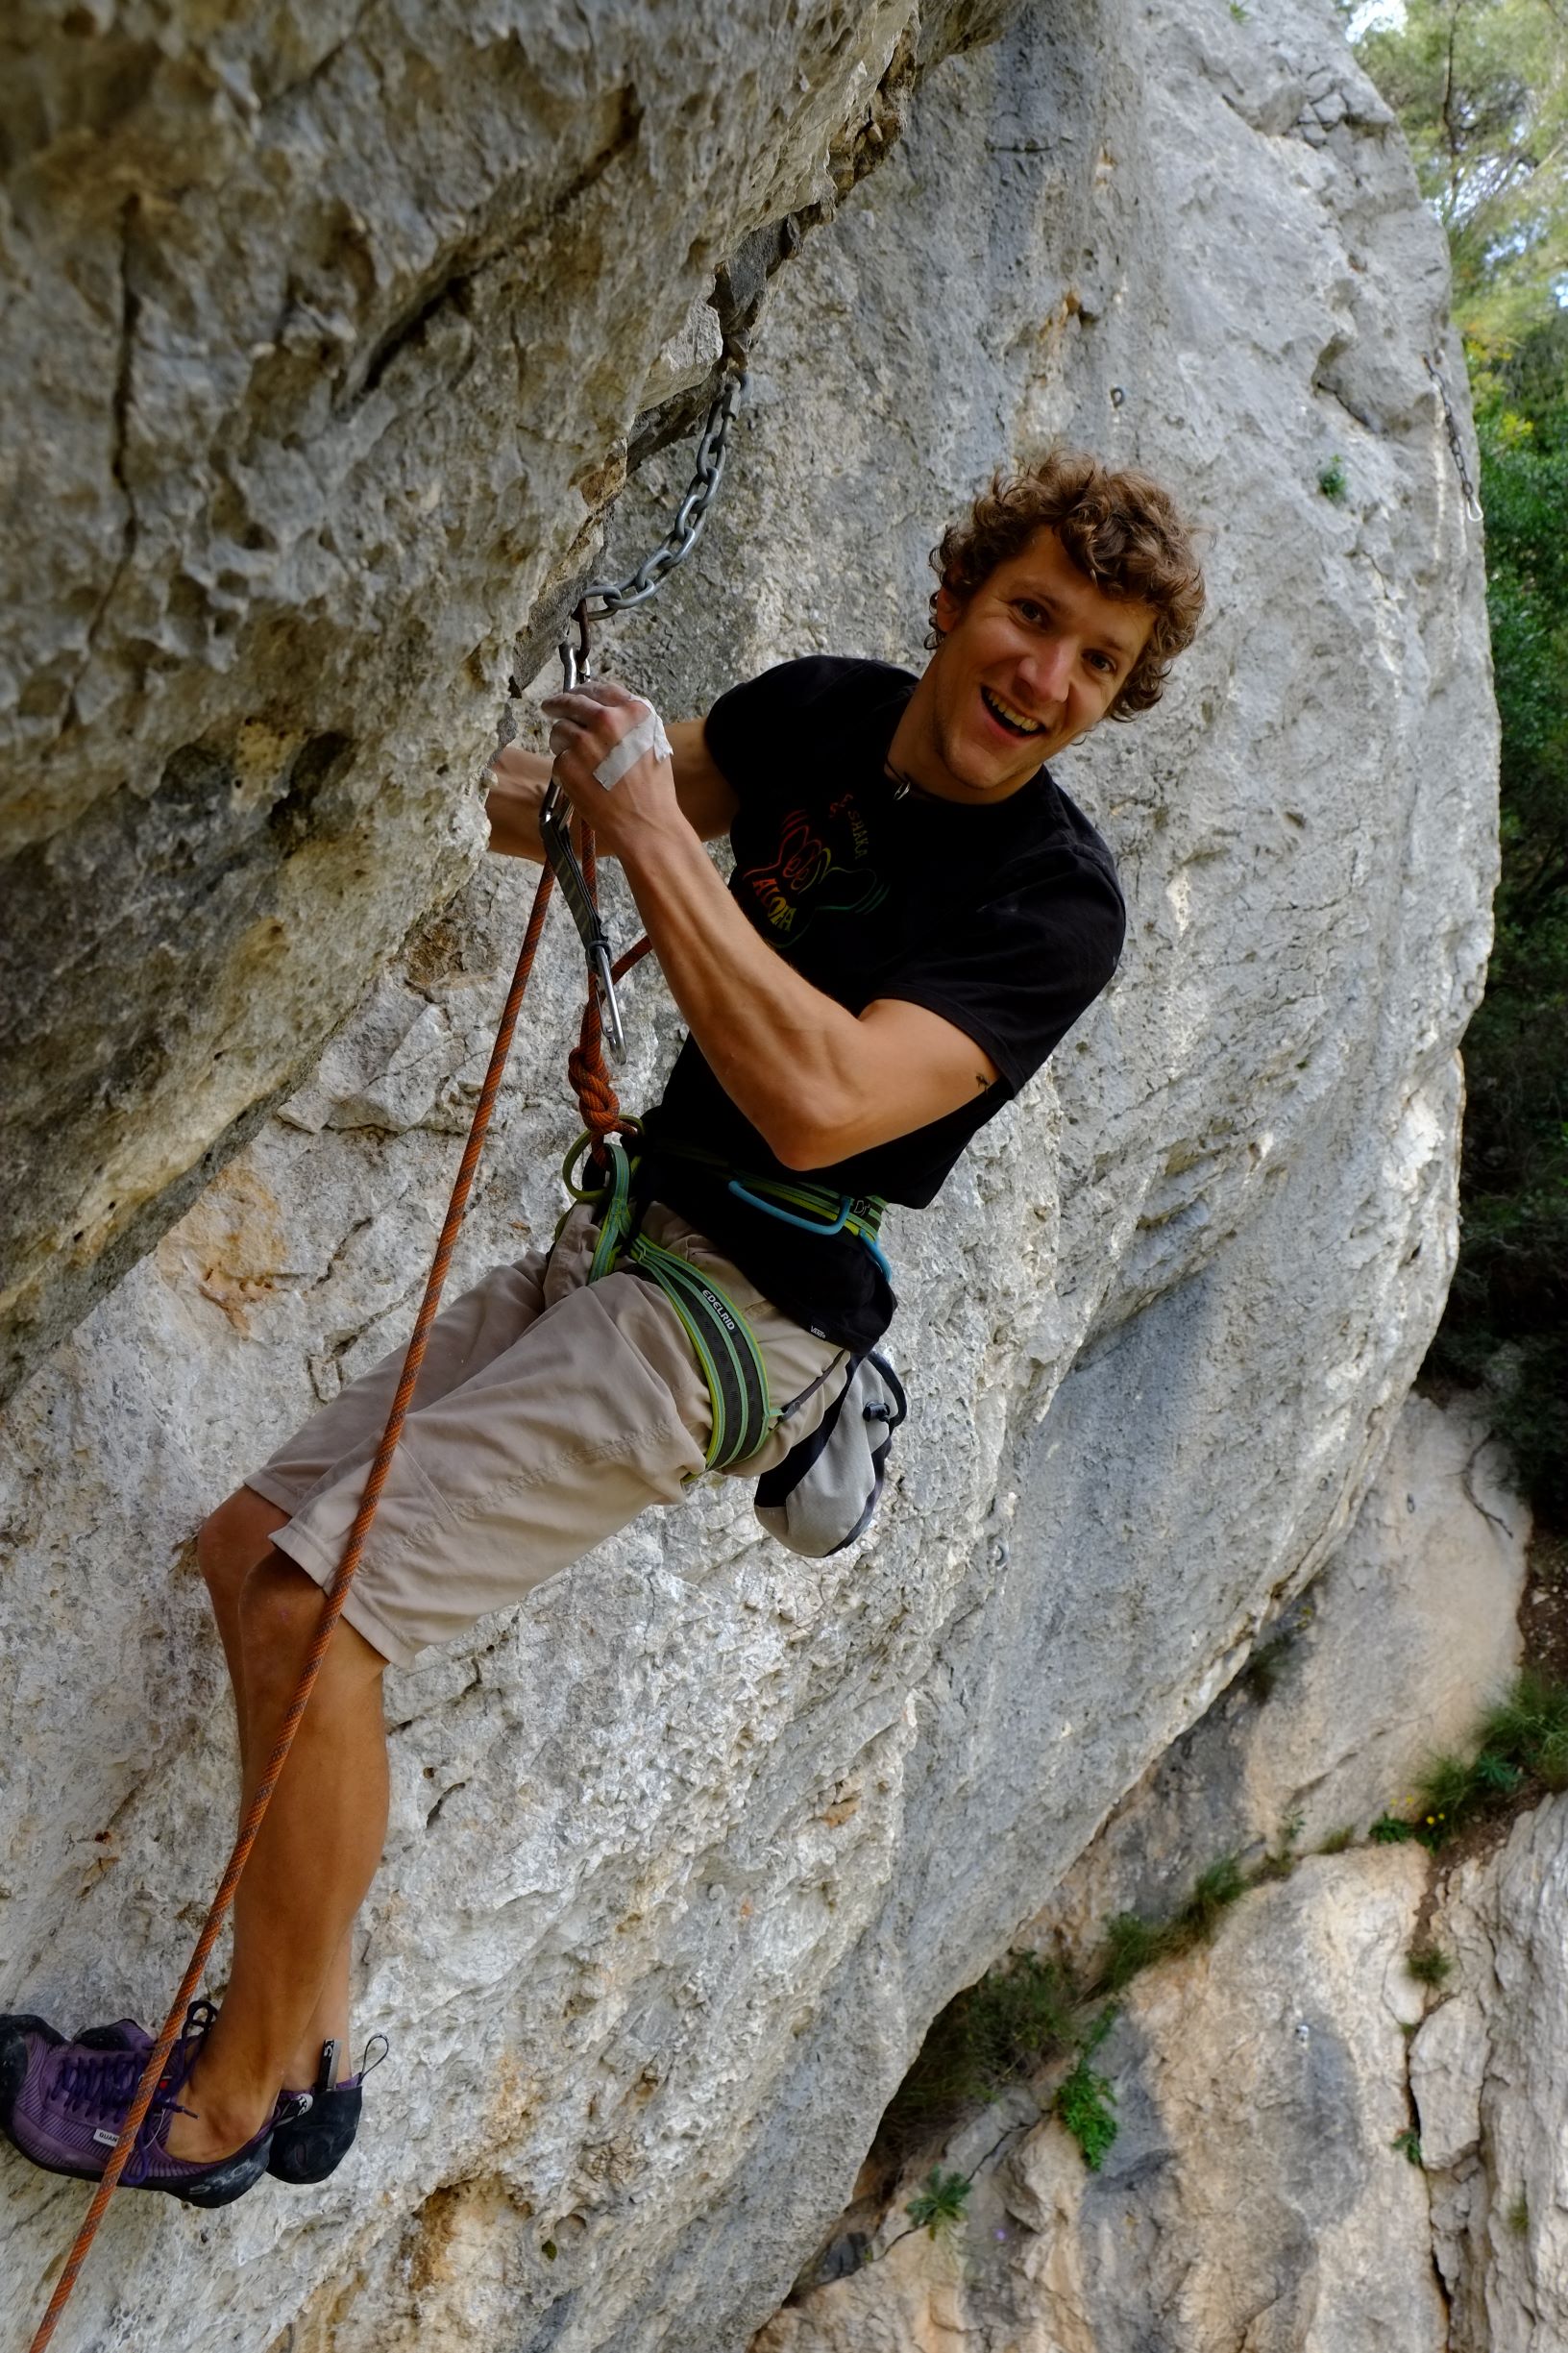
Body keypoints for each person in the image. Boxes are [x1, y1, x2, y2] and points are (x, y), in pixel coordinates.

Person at [0, 448, 1204, 2206]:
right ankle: (310, 2036)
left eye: (1097, 661)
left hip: (744, 1322)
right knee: (257, 1546)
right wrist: (379, 718)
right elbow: (538, 813)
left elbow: (817, 1100)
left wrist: (648, 824)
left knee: (324, 1603)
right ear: (956, 600)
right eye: (1032, 617)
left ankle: (228, 2107)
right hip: (629, 1246)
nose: (1046, 679)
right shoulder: (818, 714)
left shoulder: (1053, 902)